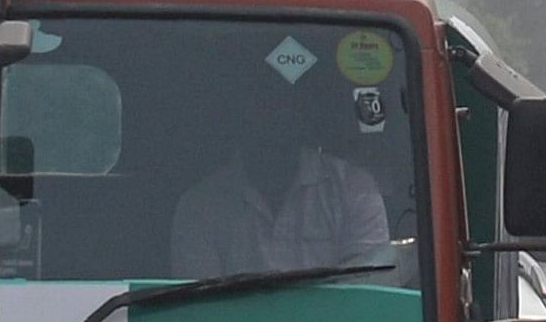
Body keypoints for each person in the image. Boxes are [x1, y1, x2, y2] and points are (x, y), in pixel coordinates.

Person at [171, 113, 407, 279]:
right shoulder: (200, 205)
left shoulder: (353, 188)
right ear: (239, 124)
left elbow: (366, 290)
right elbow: (200, 306)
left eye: (279, 113)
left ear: (299, 121)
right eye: (258, 111)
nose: (270, 126)